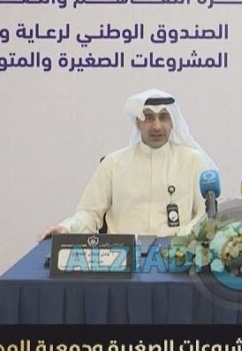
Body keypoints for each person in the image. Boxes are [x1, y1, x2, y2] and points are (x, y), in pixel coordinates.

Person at [38, 89, 215, 240]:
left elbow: (205, 213)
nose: (157, 126)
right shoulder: (113, 163)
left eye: (163, 117)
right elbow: (89, 214)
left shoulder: (193, 161)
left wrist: (182, 237)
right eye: (149, 118)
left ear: (172, 122)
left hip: (177, 254)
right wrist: (67, 228)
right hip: (123, 256)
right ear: (138, 122)